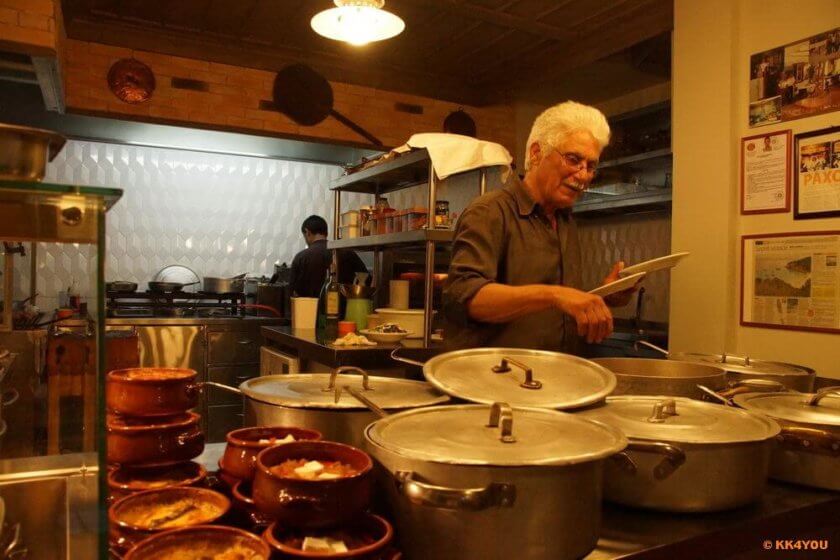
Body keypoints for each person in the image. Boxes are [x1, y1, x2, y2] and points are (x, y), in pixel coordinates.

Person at [443, 101, 637, 353]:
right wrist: (554, 295)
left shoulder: (565, 220)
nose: (583, 175)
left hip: (552, 380)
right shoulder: (490, 211)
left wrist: (602, 298)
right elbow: (466, 298)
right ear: (536, 153)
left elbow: (554, 310)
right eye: (573, 159)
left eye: (590, 166)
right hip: (496, 383)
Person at [289, 215, 367, 297]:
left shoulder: (301, 257)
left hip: (309, 308)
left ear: (307, 232)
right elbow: (365, 279)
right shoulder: (348, 252)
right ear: (326, 232)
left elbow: (292, 291)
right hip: (345, 308)